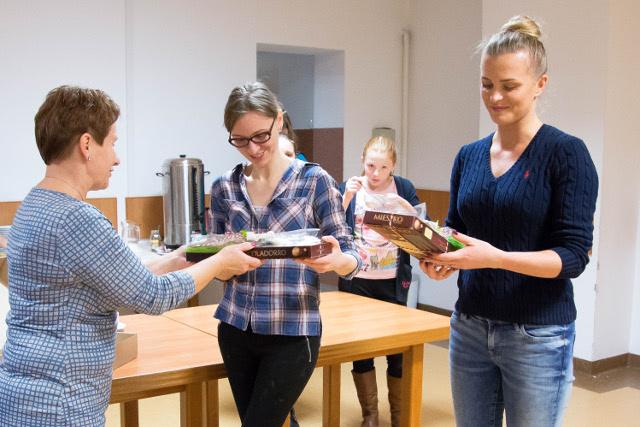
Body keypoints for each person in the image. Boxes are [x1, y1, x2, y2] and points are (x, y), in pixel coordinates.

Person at [0, 85, 262, 426]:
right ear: (86, 145)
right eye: (112, 143)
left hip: (24, 397)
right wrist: (219, 263)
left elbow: (121, 278)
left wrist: (185, 256)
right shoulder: (77, 219)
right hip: (60, 405)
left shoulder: (34, 206)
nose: (116, 158)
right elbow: (153, 296)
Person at [420, 16, 598, 427]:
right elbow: (456, 231)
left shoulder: (566, 154)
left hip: (537, 336)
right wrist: (441, 258)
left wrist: (495, 258)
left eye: (509, 86)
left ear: (540, 84)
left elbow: (573, 257)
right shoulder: (468, 156)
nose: (495, 97)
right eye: (486, 84)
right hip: (470, 326)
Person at [210, 81, 361, 427]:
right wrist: (221, 264)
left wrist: (337, 260)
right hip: (235, 327)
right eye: (240, 140)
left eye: (261, 136)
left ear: (279, 121)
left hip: (293, 330)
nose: (253, 148)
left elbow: (352, 253)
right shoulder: (224, 187)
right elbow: (215, 261)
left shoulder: (314, 181)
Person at [338, 135, 420, 427]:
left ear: (393, 166)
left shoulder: (403, 188)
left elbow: (420, 226)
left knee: (398, 350)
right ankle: (370, 416)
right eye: (371, 165)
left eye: (383, 167)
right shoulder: (350, 188)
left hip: (392, 279)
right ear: (362, 161)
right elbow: (332, 225)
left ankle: (398, 417)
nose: (375, 173)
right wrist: (345, 198)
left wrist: (406, 211)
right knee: (361, 348)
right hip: (357, 279)